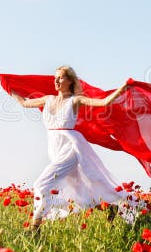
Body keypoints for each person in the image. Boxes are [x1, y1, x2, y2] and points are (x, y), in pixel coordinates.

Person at [10, 66, 139, 228]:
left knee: (41, 184)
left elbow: (104, 102)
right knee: (79, 189)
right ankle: (108, 209)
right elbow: (24, 103)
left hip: (70, 148)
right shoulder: (48, 99)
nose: (56, 81)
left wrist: (122, 88)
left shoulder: (75, 100)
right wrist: (9, 88)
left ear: (70, 81)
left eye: (61, 78)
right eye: (55, 78)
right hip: (55, 149)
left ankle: (35, 227)